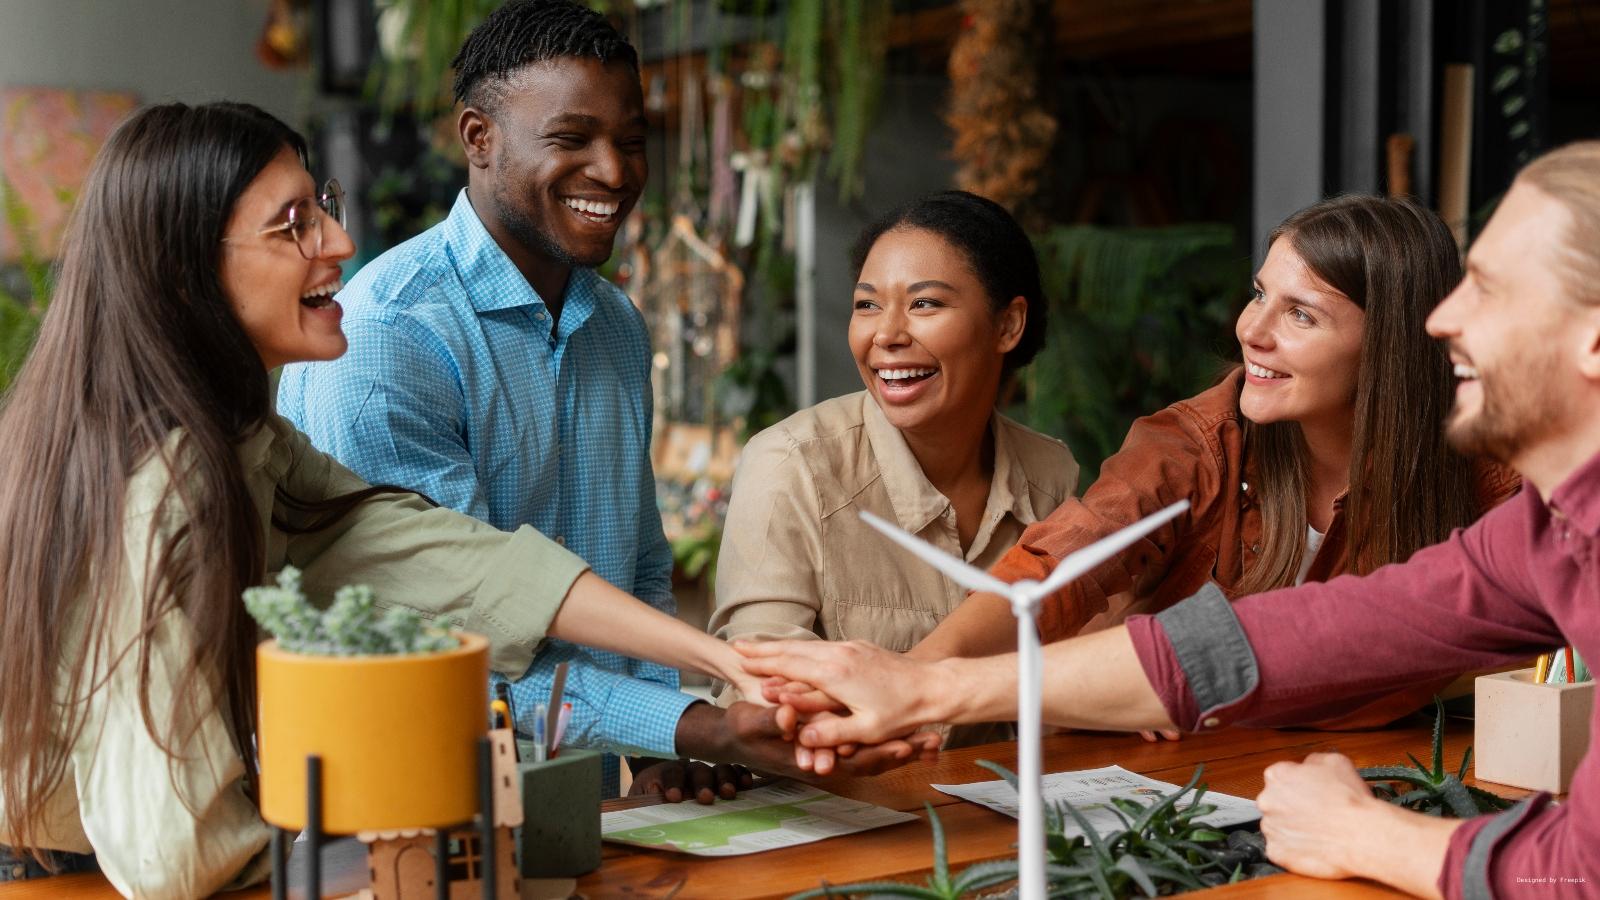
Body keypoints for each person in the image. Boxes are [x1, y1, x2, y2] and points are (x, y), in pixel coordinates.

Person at [0, 101, 912, 899]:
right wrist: (413, 851)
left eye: (324, 205)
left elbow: (438, 553)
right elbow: (173, 856)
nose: (339, 242)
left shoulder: (249, 439)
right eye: (292, 225)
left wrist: (720, 660)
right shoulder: (170, 480)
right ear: (190, 271)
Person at [738, 141, 1600, 900]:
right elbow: (1313, 631)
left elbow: (1578, 874)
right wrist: (931, 685)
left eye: (1487, 292)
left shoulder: (1499, 489)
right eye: (1261, 295)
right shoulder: (1541, 528)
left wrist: (1366, 832)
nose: (1445, 323)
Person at [277, 0, 887, 801]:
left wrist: (672, 737)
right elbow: (446, 634)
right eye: (572, 139)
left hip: (595, 810)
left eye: (631, 142)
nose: (615, 170)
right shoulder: (388, 337)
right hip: (415, 815)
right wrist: (692, 723)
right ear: (478, 137)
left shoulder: (616, 325)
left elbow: (637, 568)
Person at [911, 194, 1518, 735]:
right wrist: (914, 679)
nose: (1251, 330)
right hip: (1166, 774)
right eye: (1260, 294)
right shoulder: (1199, 439)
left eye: (1300, 314)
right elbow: (1062, 561)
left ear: (1390, 346)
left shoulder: (1490, 478)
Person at [710, 190, 1078, 751]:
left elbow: (1063, 684)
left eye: (925, 304)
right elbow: (765, 692)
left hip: (990, 813)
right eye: (867, 304)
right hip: (827, 814)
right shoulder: (792, 465)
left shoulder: (1050, 476)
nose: (886, 334)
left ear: (1008, 325)